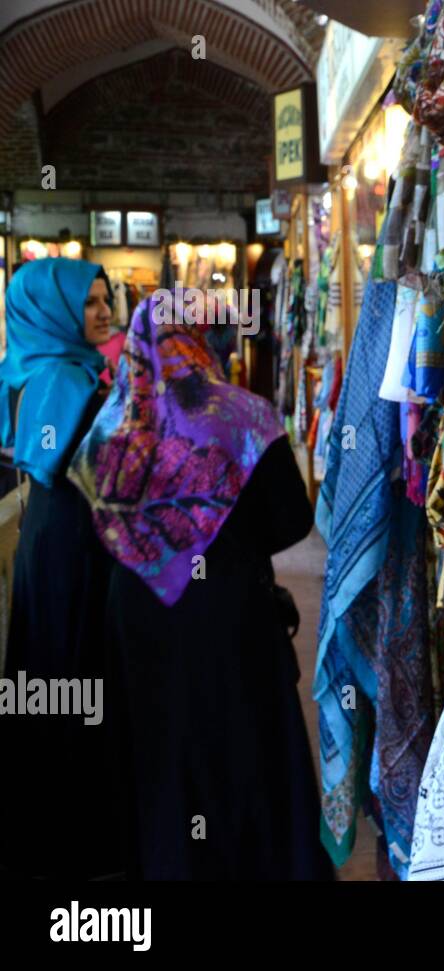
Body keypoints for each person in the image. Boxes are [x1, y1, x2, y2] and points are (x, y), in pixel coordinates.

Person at [67, 293, 333, 880]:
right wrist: (228, 541)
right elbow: (292, 519)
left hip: (138, 609)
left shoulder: (112, 422)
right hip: (227, 608)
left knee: (159, 744)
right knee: (243, 741)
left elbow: (95, 521)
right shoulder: (243, 414)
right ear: (196, 335)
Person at [0, 257, 127, 879]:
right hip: (72, 543)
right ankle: (77, 835)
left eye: (106, 300)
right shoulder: (64, 381)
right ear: (56, 311)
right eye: (91, 302)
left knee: (52, 669)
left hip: (53, 539)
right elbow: (68, 466)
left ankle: (53, 828)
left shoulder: (41, 367)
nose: (105, 311)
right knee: (73, 666)